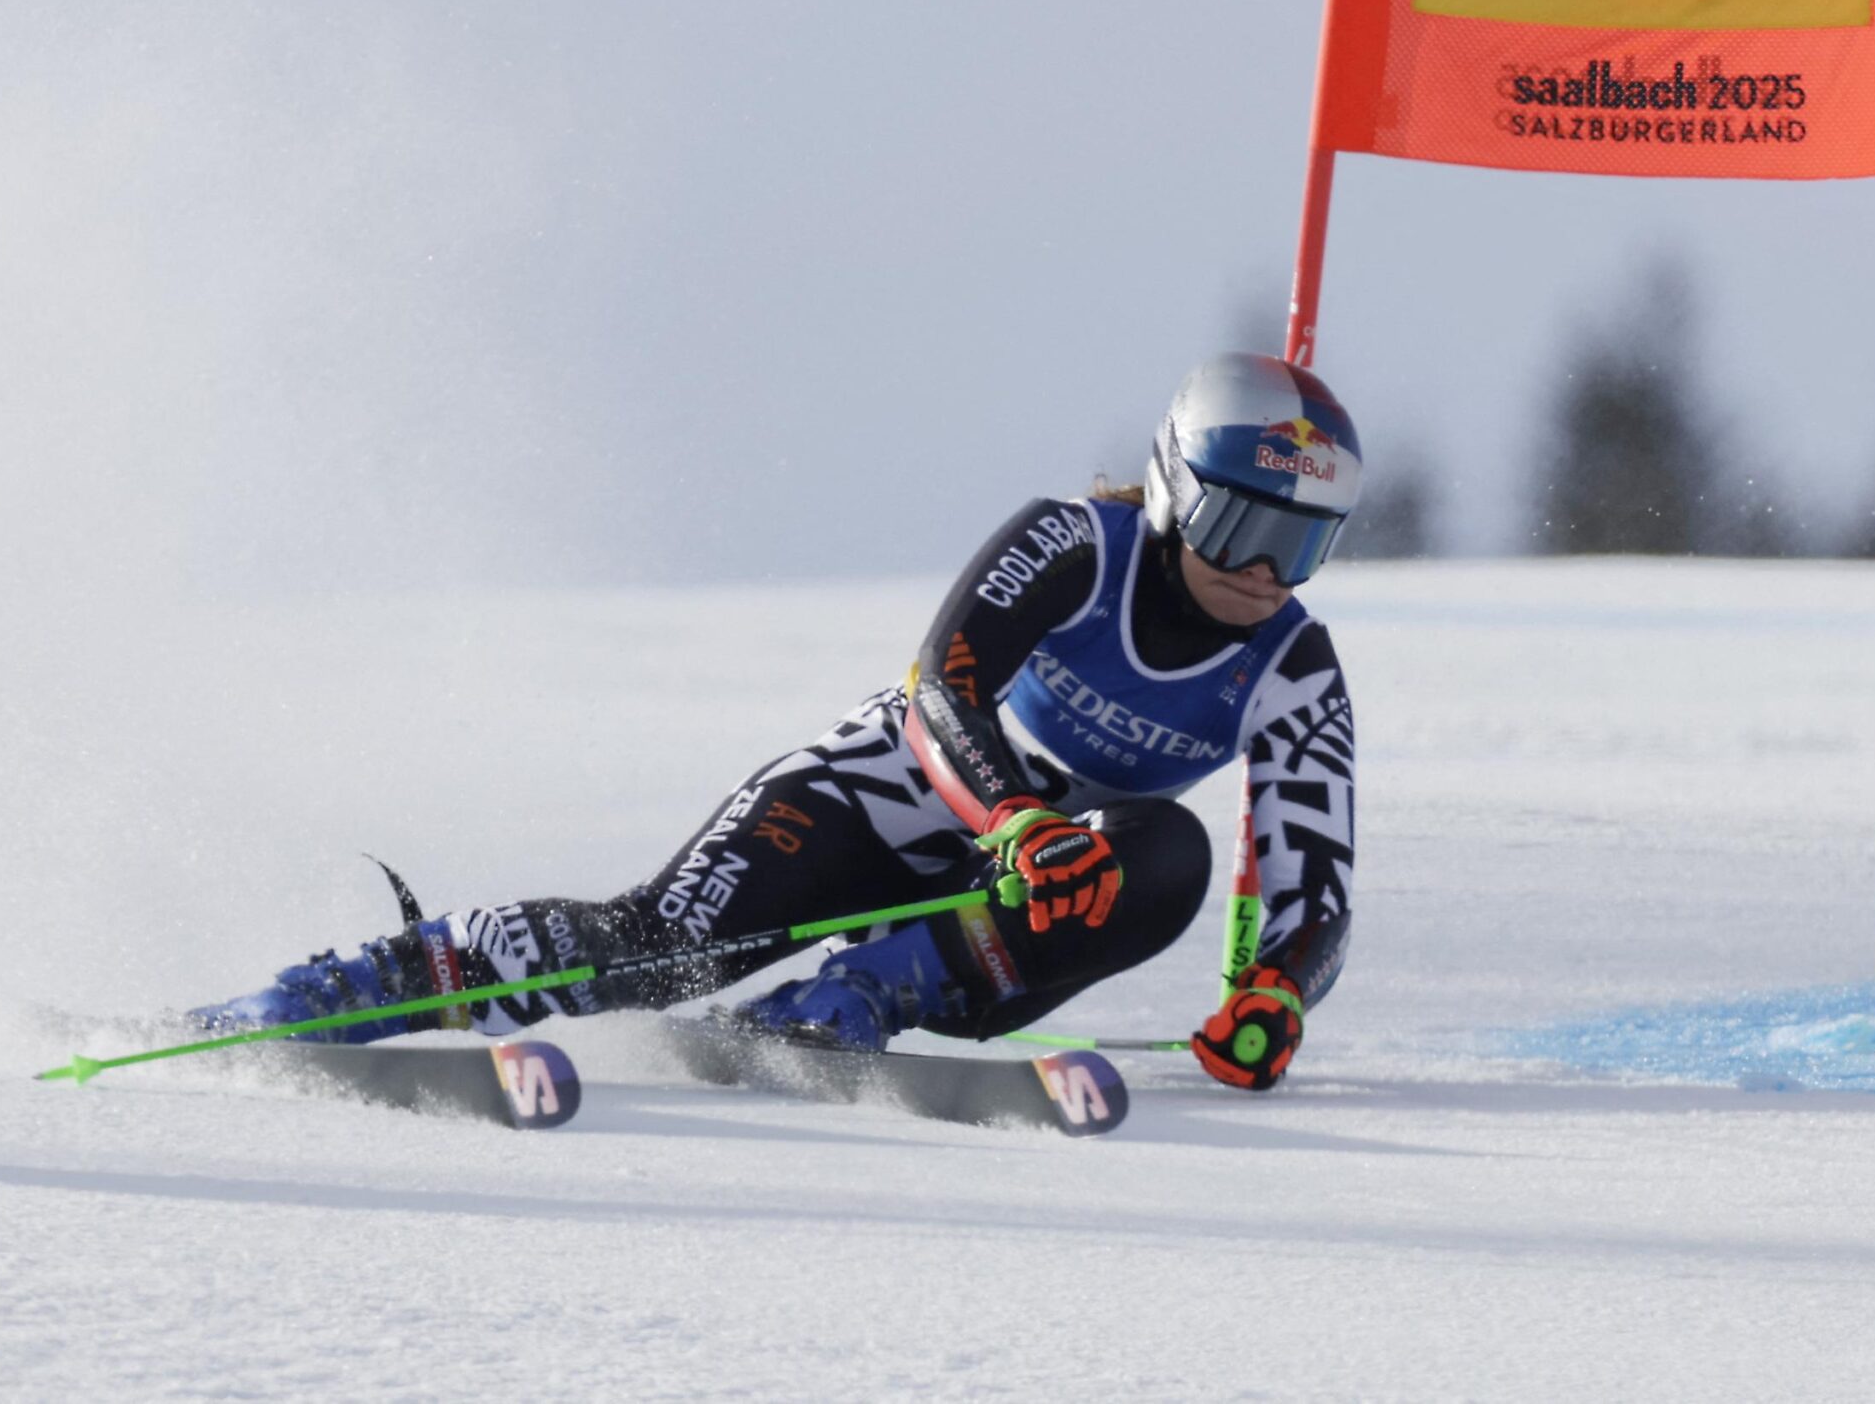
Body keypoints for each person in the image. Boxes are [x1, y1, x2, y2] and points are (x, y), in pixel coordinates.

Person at [196, 351, 1362, 1091]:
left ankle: (854, 998)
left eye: (1301, 543)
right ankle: (357, 986)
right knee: (655, 944)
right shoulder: (1071, 544)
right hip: (877, 801)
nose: (1267, 572)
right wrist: (1008, 815)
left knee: (1167, 850)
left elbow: (1315, 883)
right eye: (1240, 528)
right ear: (1170, 490)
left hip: (1007, 899)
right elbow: (942, 691)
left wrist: (1274, 994)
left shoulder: (1292, 662)